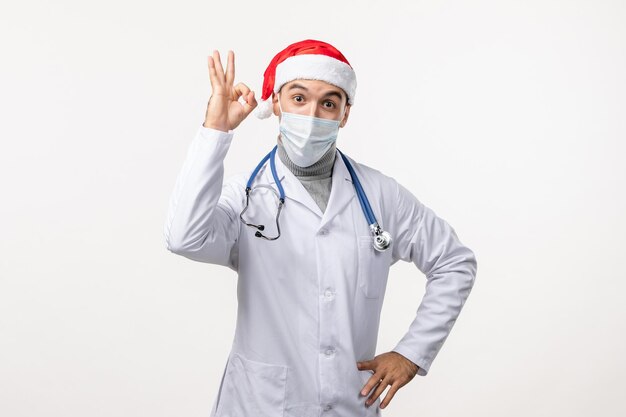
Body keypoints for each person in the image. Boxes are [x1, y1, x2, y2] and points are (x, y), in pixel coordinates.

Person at [163, 39, 477, 416]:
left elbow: (454, 263)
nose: (312, 115)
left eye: (329, 102)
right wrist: (216, 131)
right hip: (260, 404)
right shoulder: (246, 197)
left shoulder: (381, 195)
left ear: (345, 114)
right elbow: (184, 238)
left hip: (349, 402)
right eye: (298, 98)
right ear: (276, 103)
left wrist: (411, 354)